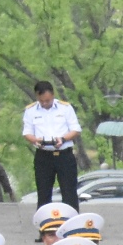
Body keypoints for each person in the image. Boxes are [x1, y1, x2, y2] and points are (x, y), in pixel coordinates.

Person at [22, 81, 81, 210]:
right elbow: (27, 132)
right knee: (43, 193)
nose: (44, 103)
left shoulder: (65, 108)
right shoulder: (31, 110)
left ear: (53, 95)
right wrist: (35, 140)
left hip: (64, 154)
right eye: (41, 100)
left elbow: (76, 129)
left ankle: (71, 223)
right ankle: (45, 225)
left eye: (47, 100)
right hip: (44, 156)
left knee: (69, 192)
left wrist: (63, 139)